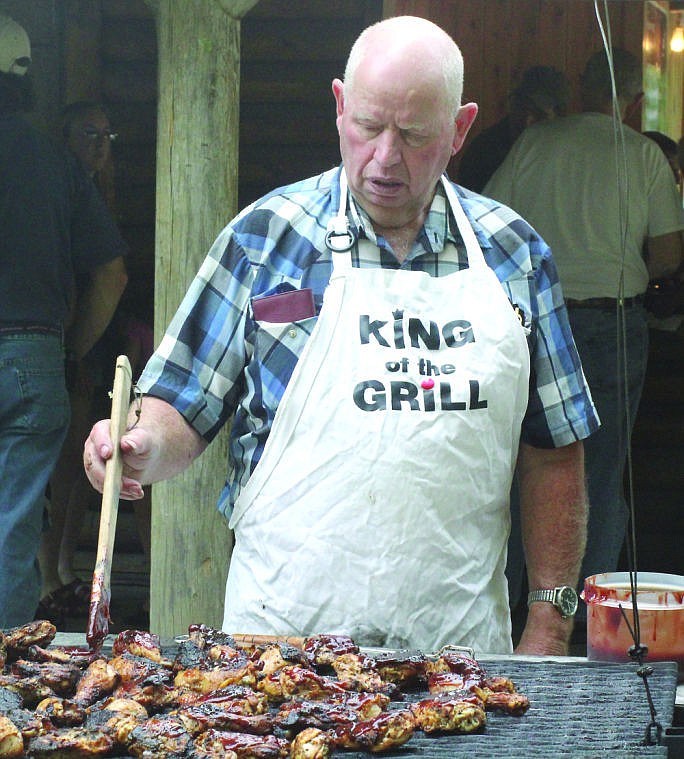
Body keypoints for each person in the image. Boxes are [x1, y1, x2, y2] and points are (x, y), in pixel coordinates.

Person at [84, 15, 599, 656]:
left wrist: (549, 624)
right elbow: (178, 405)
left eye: (413, 135)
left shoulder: (514, 254)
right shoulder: (264, 237)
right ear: (338, 107)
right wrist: (136, 445)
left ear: (461, 129)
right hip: (276, 655)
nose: (385, 158)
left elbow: (553, 451)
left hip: (460, 656)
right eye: (368, 126)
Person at [485, 48, 684, 620]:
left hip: (533, 318)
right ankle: (587, 618)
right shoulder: (643, 154)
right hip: (611, 322)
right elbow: (669, 257)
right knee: (597, 473)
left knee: (522, 462)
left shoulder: (535, 144)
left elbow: (491, 226)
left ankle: (512, 609)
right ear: (634, 99)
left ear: (581, 84)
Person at [0, 14, 128, 628]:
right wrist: (70, 350)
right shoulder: (54, 164)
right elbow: (112, 274)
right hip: (32, 357)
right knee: (13, 524)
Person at [36, 102, 128, 624]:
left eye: (108, 133)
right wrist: (72, 344)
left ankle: (63, 567)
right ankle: (48, 575)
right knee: (55, 461)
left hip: (91, 340)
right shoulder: (62, 187)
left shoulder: (97, 192)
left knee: (77, 461)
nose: (100, 144)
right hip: (65, 336)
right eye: (88, 133)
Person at [457, 65, 570, 193]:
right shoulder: (485, 151)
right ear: (512, 104)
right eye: (521, 109)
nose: (527, 121)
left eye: (539, 114)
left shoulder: (568, 153)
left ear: (560, 116)